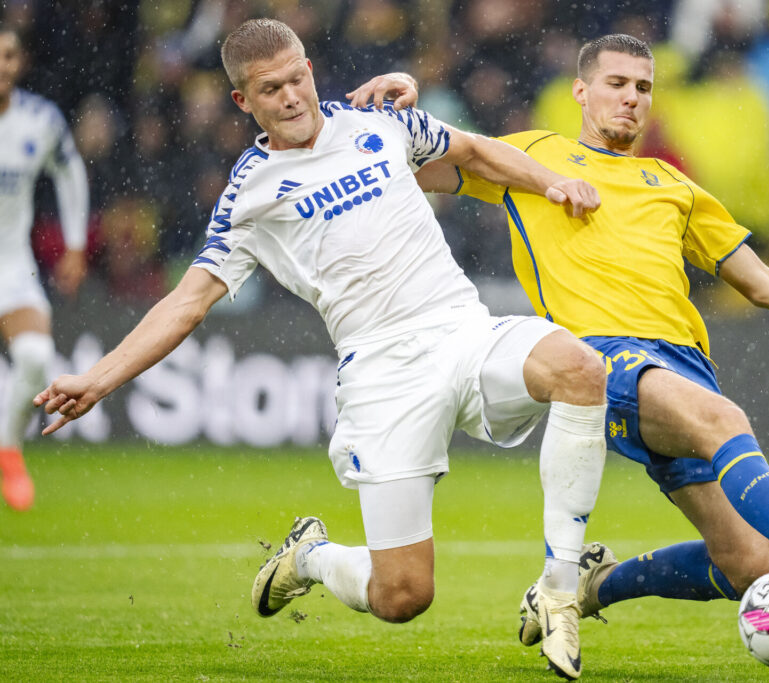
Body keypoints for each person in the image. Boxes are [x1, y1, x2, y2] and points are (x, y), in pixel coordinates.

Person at [33, 19, 608, 680]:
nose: (291, 96)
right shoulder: (249, 193)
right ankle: (309, 556)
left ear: (310, 68)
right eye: (270, 88)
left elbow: (474, 151)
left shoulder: (377, 122)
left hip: (463, 329)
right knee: (402, 596)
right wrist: (100, 378)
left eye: (297, 77)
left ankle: (560, 589)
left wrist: (550, 183)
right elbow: (188, 301)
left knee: (579, 367)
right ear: (243, 102)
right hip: (383, 376)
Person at [351, 33, 769, 637]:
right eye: (616, 84)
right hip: (603, 361)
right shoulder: (533, 156)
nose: (632, 99)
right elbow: (406, 169)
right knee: (724, 423)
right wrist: (394, 112)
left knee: (748, 563)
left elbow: (765, 284)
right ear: (580, 92)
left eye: (643, 87)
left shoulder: (675, 185)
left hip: (685, 368)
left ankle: (595, 584)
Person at [0, 24, 88, 511]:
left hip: (10, 264)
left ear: (19, 62)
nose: (1, 65)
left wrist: (75, 246)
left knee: (35, 357)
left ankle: (8, 447)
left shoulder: (40, 120)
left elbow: (70, 171)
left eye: (9, 55)